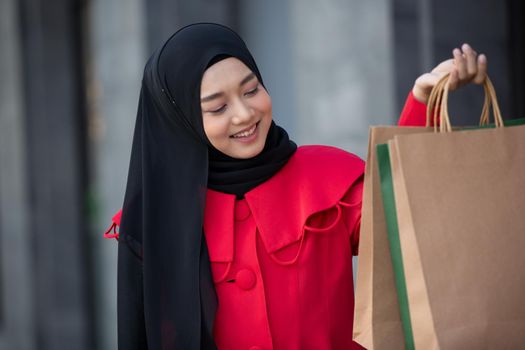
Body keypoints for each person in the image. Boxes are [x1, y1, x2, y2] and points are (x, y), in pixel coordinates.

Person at [103, 23, 488, 349]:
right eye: (217, 107)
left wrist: (425, 101)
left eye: (251, 89)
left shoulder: (325, 175)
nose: (244, 113)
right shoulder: (156, 222)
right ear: (181, 119)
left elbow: (400, 217)